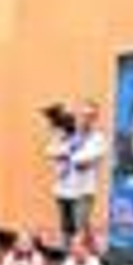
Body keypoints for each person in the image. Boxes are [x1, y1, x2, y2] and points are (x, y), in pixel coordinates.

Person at [46, 99, 108, 242]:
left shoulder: (97, 138)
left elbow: (83, 158)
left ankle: (86, 256)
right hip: (63, 188)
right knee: (66, 228)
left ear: (95, 118)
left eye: (90, 116)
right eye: (83, 115)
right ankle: (69, 257)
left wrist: (67, 153)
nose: (86, 119)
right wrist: (66, 148)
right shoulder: (68, 135)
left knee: (79, 228)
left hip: (83, 191)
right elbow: (49, 151)